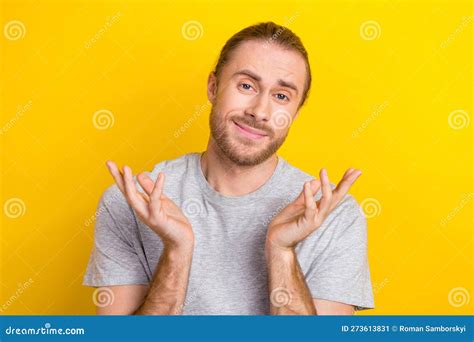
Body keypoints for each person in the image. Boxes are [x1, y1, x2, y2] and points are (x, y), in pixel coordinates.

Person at [83, 21, 375, 315]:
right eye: (246, 86)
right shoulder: (130, 203)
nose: (260, 111)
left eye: (281, 96)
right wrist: (177, 252)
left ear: (295, 112)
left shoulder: (332, 214)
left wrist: (281, 252)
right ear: (213, 87)